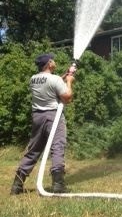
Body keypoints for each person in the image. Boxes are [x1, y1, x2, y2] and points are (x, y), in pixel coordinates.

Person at [10, 53, 75, 195]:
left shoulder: (33, 79)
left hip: (37, 117)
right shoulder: (55, 79)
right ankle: (58, 185)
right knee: (57, 146)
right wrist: (69, 81)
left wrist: (63, 77)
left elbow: (49, 85)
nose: (54, 61)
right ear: (48, 64)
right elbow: (67, 98)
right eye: (53, 60)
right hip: (53, 117)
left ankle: (17, 185)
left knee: (33, 150)